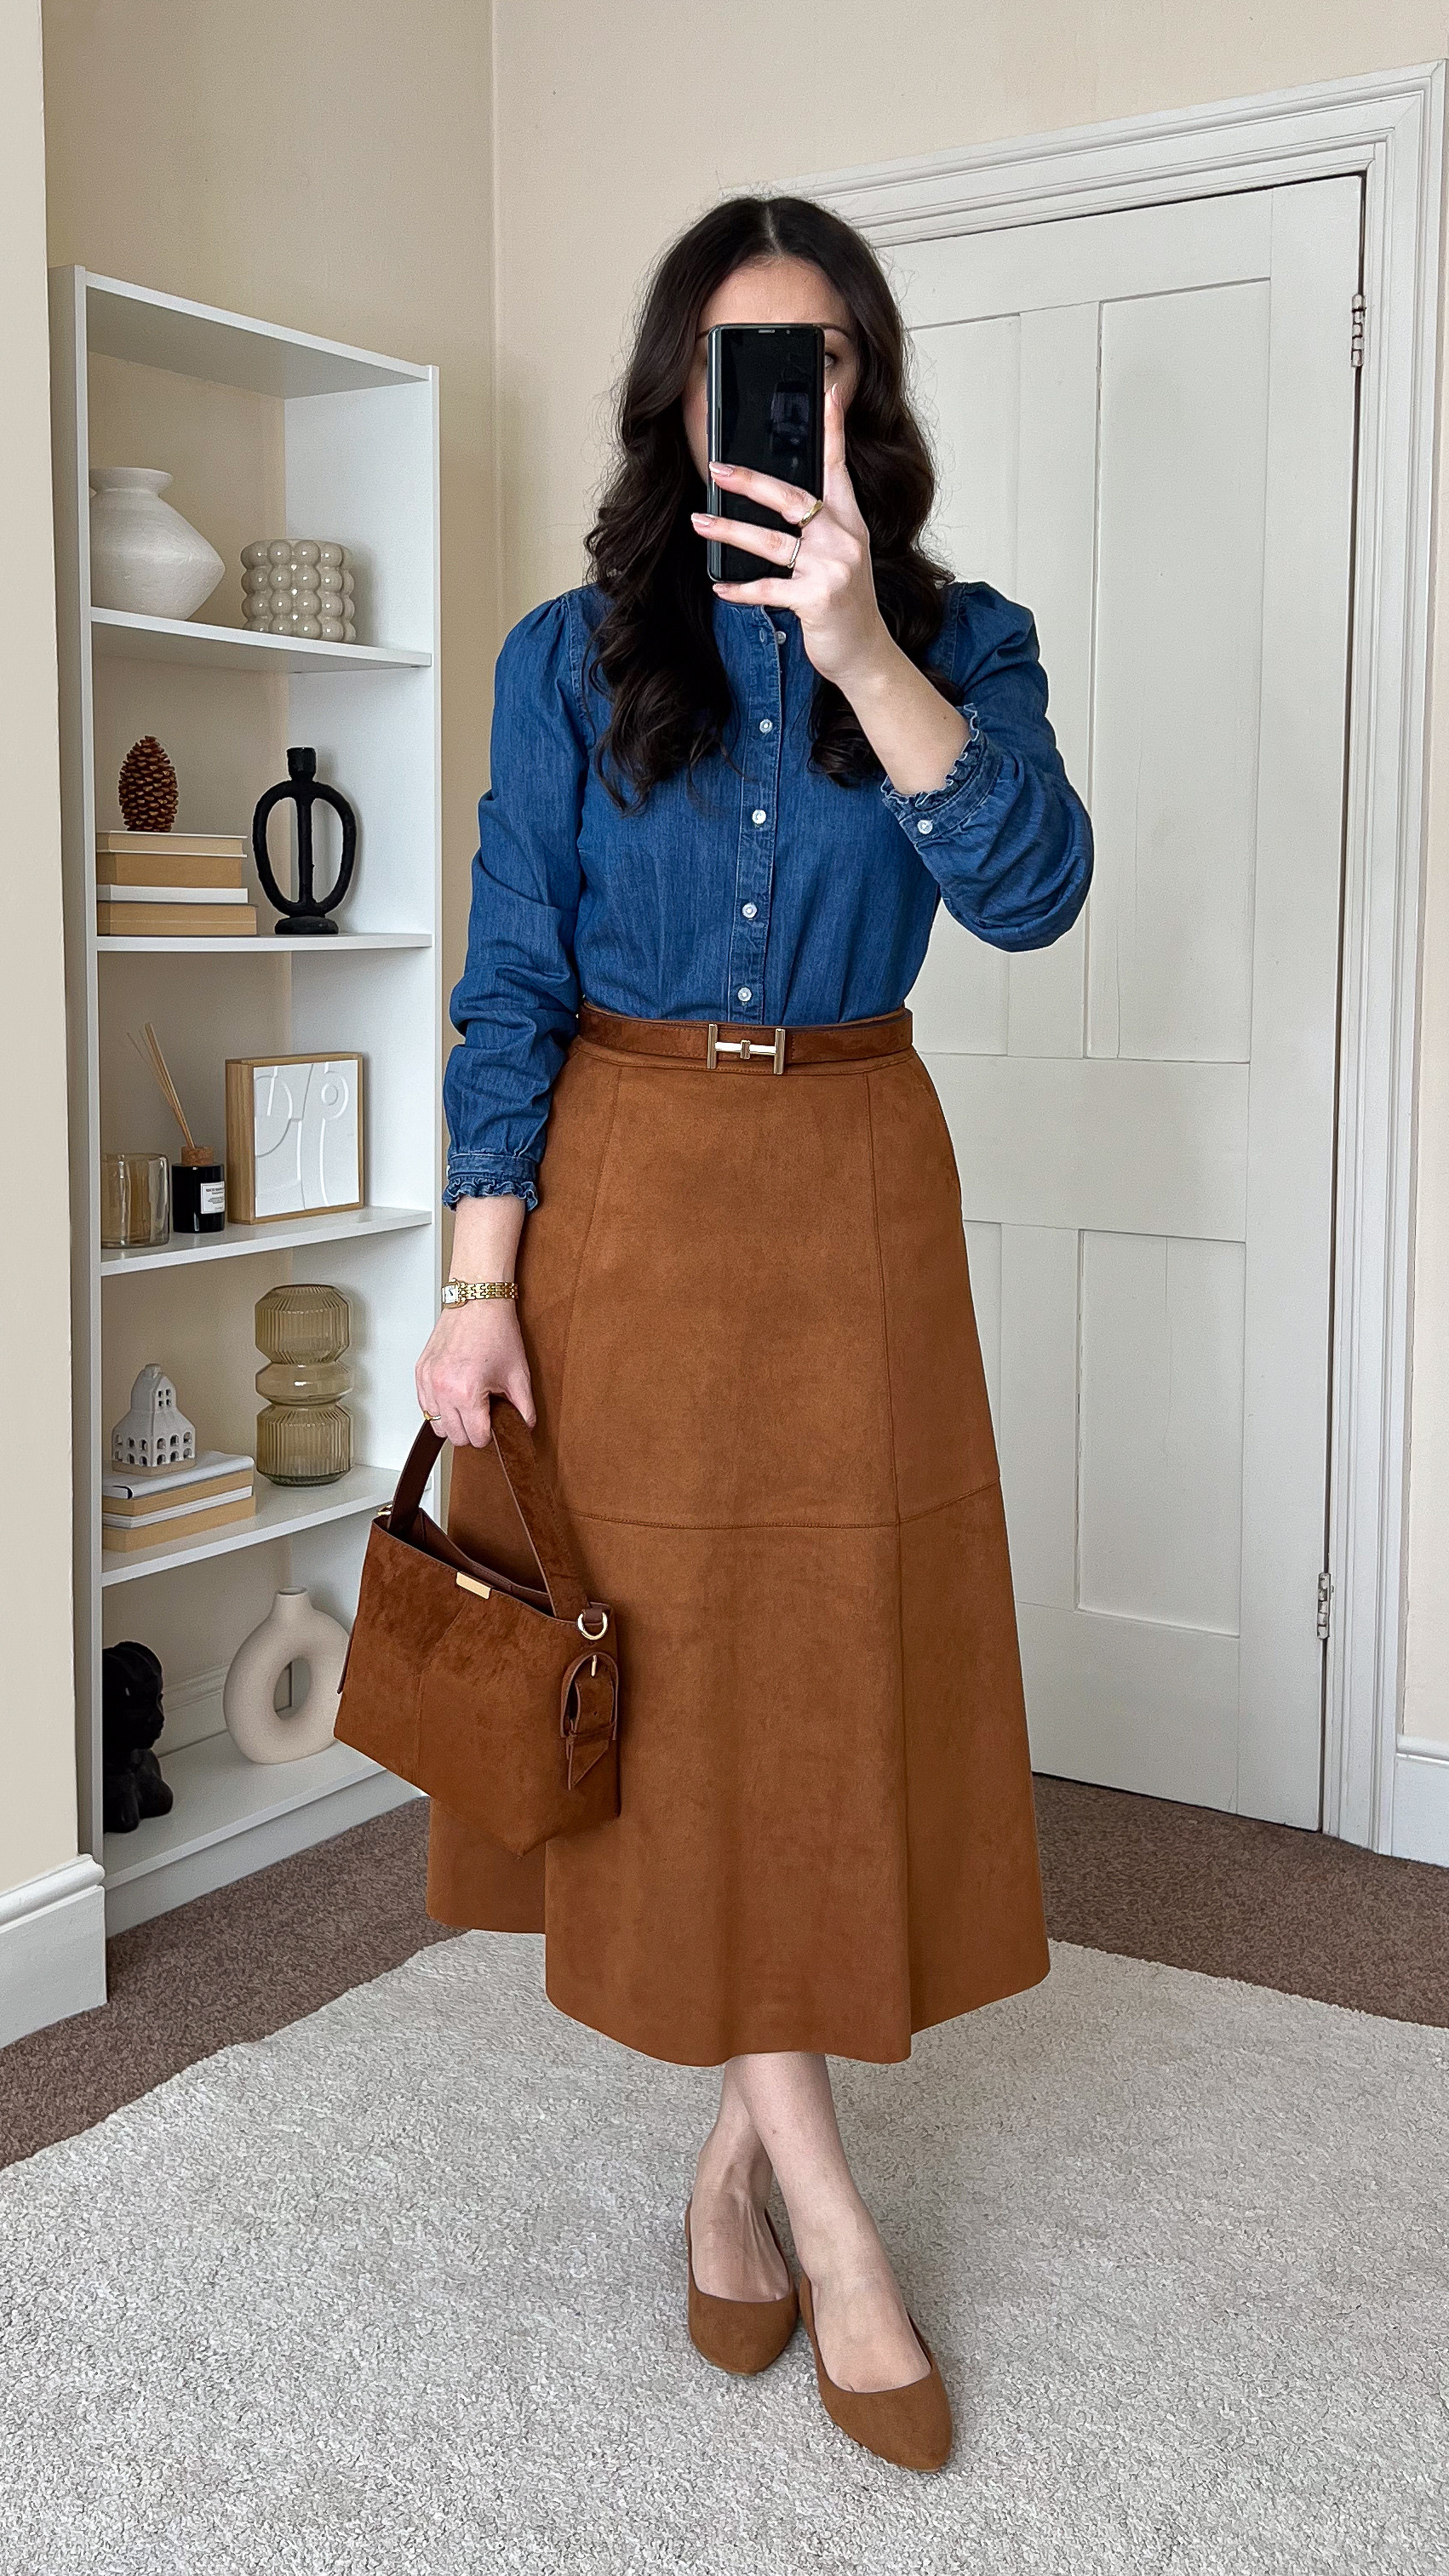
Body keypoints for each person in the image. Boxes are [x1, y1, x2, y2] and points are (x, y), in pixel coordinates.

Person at [415, 192, 1092, 2475]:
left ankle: (730, 2164)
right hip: (621, 1199)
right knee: (681, 1692)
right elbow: (506, 979)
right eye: (736, 362)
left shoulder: (961, 639)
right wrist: (477, 1290)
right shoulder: (559, 657)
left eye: (815, 362)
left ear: (863, 402)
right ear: (675, 397)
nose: (776, 400)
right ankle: (829, 2209)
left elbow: (1031, 884)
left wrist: (864, 646)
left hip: (854, 1195)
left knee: (820, 1689)